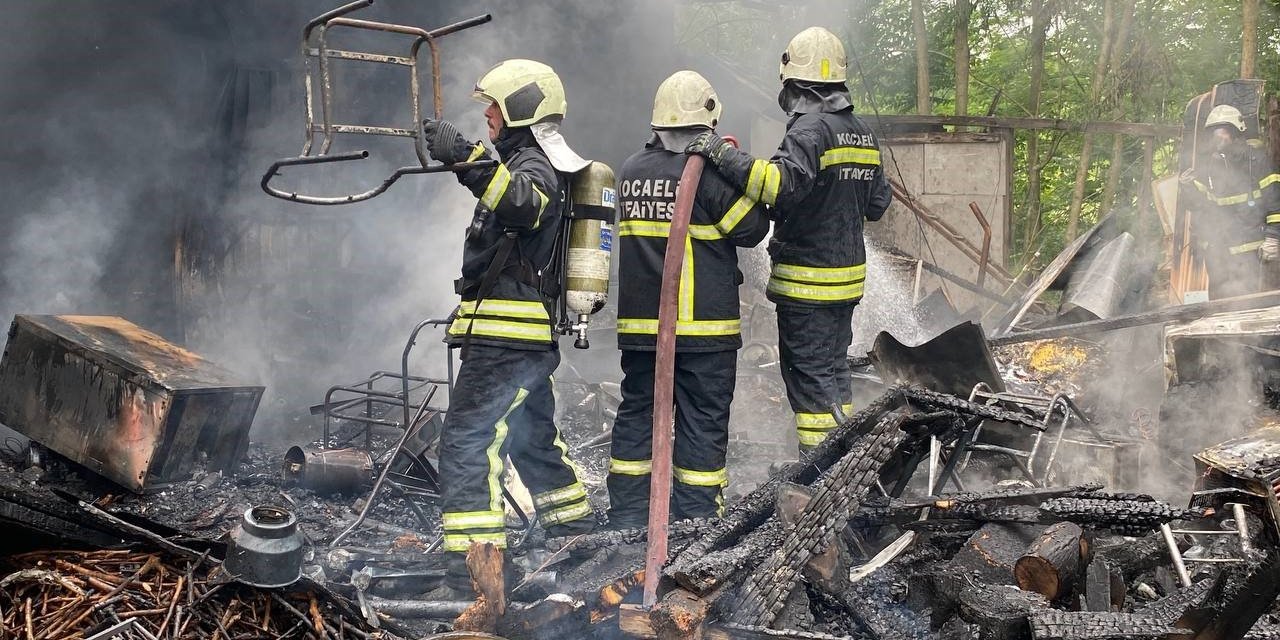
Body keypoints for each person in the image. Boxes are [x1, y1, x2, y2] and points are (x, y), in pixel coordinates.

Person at [422, 59, 594, 595]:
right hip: (511, 340)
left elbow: (523, 205)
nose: (489, 116)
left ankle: (473, 569)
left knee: (467, 442)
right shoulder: (524, 161)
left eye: (494, 106)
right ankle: (575, 533)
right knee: (533, 439)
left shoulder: (536, 166)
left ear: (521, 107)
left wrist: (464, 158)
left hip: (508, 342)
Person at [686, 27, 891, 453]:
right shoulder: (862, 133)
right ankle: (849, 461)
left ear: (795, 83)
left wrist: (720, 153)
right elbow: (877, 203)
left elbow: (777, 185)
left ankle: (820, 477)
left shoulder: (810, 130)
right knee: (835, 375)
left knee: (810, 380)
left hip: (807, 285)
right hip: (847, 285)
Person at [606, 71, 768, 528]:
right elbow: (753, 230)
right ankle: (695, 521)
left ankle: (628, 518)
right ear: (708, 123)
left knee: (638, 415)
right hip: (702, 331)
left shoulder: (631, 170)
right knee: (701, 424)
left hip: (641, 331)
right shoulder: (707, 177)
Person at [1182, 104, 1280, 298]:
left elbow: (1275, 203)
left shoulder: (1258, 161)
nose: (1218, 138)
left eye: (1223, 131)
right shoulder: (1211, 166)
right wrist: (1188, 187)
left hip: (1252, 256)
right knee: (1218, 310)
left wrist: (1273, 238)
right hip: (1219, 255)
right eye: (1214, 133)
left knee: (1248, 309)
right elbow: (1200, 205)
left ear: (1236, 132)